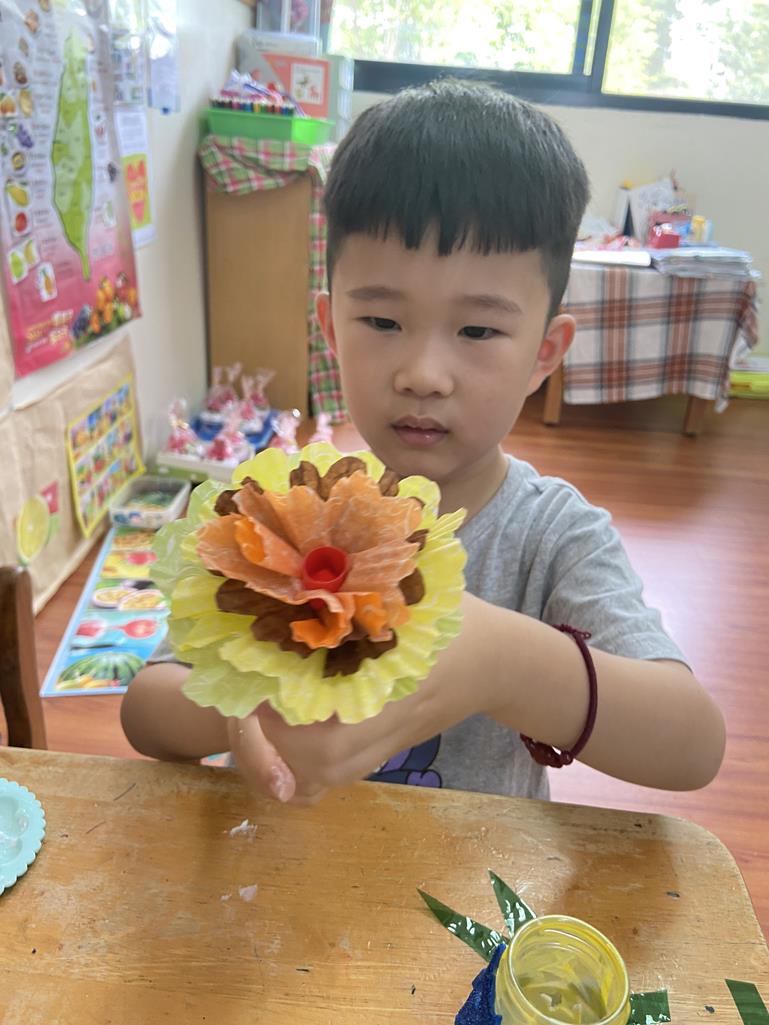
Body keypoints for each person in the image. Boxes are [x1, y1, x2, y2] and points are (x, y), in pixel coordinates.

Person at [122, 80, 724, 804]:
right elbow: (146, 709)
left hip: (467, 874)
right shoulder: (285, 516)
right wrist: (242, 706)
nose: (422, 374)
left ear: (544, 352)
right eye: (382, 322)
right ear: (331, 327)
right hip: (278, 863)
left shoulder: (550, 534)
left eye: (477, 330)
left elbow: (692, 746)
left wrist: (506, 664)